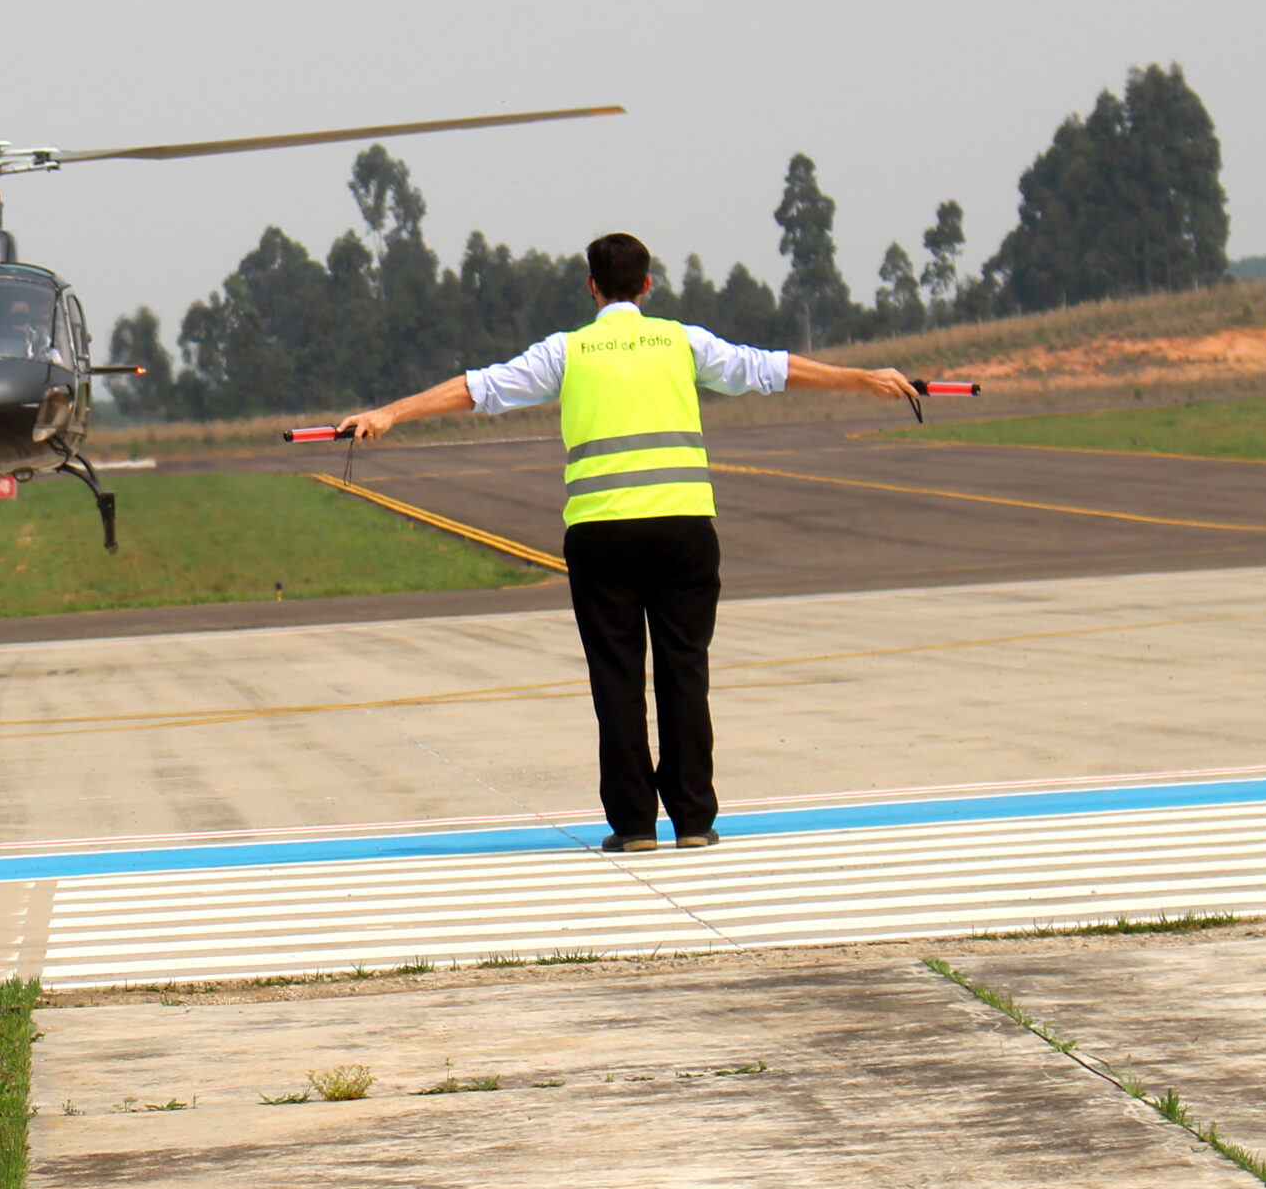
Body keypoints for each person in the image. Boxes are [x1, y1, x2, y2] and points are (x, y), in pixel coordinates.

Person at [338, 232, 916, 854]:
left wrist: (390, 413)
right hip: (684, 530)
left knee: (616, 680)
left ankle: (635, 825)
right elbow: (769, 368)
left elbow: (479, 388)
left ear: (592, 286)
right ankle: (694, 819)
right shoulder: (681, 341)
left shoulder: (568, 351)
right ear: (647, 285)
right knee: (684, 673)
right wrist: (863, 378)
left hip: (602, 535)